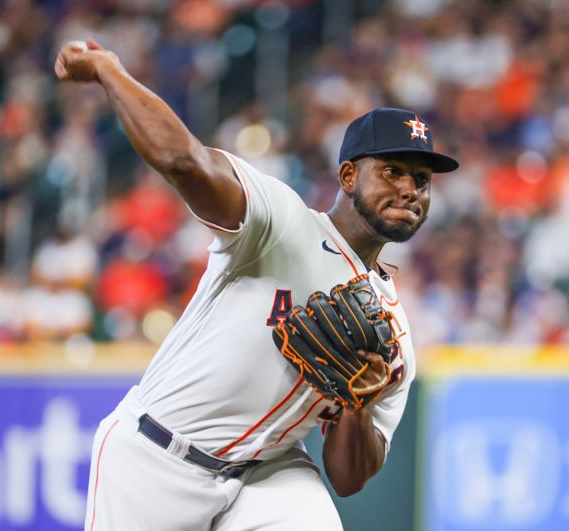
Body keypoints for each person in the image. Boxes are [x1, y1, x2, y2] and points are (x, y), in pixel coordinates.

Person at [55, 39, 459, 531]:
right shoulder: (280, 221)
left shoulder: (392, 333)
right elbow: (184, 162)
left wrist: (358, 405)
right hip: (155, 456)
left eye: (421, 180)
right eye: (392, 171)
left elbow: (349, 478)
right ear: (349, 176)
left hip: (269, 474)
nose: (409, 190)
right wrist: (107, 69)